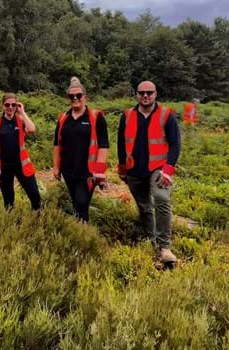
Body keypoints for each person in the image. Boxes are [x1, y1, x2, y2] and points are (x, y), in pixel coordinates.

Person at [117, 81, 181, 266]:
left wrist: (168, 169)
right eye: (141, 93)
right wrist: (122, 168)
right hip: (134, 170)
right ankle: (151, 239)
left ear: (155, 94)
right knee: (144, 206)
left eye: (149, 93)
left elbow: (175, 144)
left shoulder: (166, 115)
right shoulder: (127, 115)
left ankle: (165, 247)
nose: (145, 96)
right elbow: (121, 143)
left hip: (159, 169)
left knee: (161, 198)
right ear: (136, 94)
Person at [53, 77, 109, 223]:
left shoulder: (96, 117)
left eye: (78, 95)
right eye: (71, 96)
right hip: (68, 170)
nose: (75, 98)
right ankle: (79, 230)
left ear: (85, 97)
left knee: (82, 202)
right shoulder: (63, 118)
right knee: (75, 201)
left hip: (88, 171)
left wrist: (100, 170)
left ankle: (84, 234)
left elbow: (103, 144)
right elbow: (57, 144)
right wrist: (56, 167)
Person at [0, 93, 41, 211]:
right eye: (7, 105)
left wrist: (22, 112)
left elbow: (32, 129)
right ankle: (12, 223)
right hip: (4, 166)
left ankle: (38, 219)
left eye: (13, 105)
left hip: (21, 165)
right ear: (2, 106)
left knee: (34, 194)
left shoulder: (20, 121)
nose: (10, 107)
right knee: (8, 199)